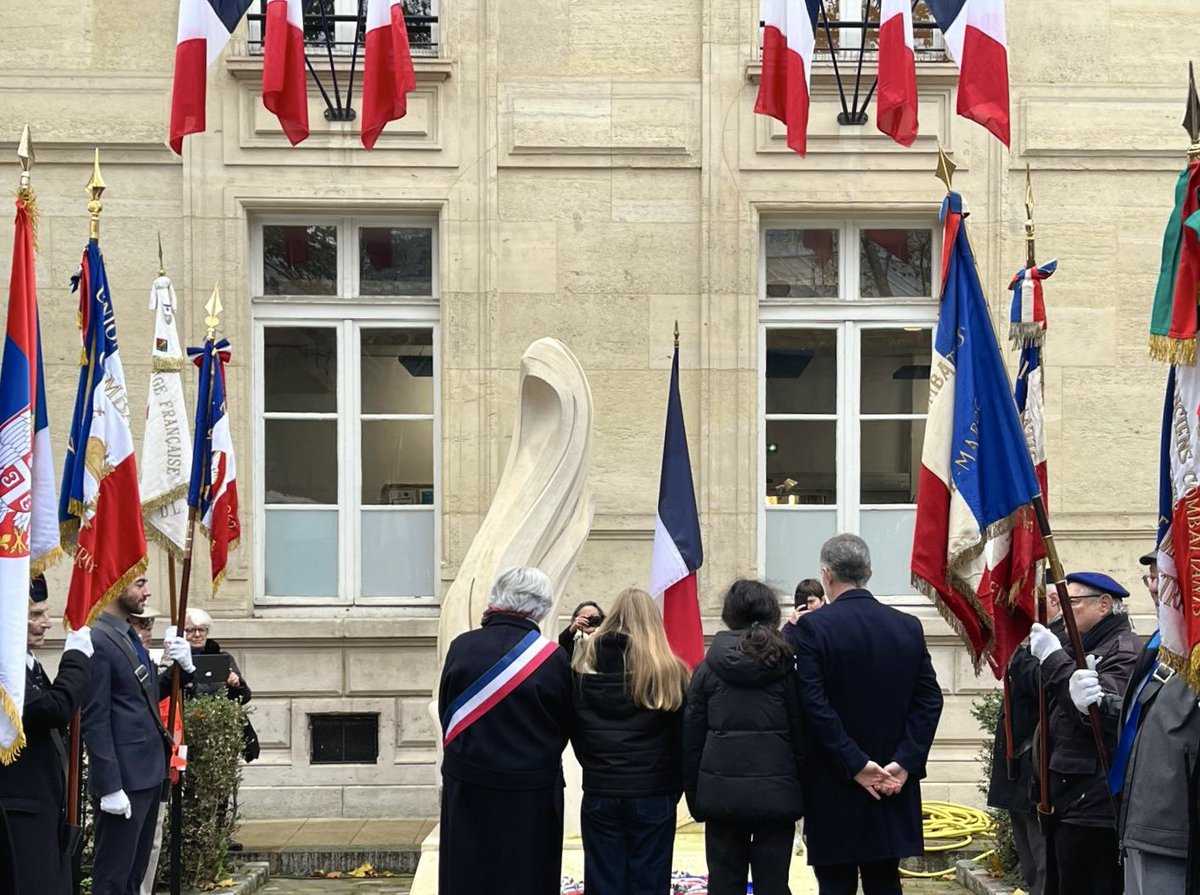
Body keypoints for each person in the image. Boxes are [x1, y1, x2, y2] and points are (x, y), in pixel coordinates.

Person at [794, 534, 943, 895]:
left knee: (835, 885)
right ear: (869, 573)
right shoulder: (907, 626)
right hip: (891, 783)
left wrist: (856, 764)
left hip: (835, 780)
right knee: (885, 882)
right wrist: (903, 762)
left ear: (826, 575)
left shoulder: (814, 627)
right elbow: (930, 700)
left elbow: (813, 704)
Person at [1066, 551, 1200, 894]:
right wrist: (1097, 705)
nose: (1156, 587)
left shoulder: (1191, 646)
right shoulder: (1161, 643)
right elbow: (1144, 716)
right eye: (1152, 578)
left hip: (1177, 829)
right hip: (1139, 821)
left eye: (1165, 576)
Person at [438, 567, 573, 895]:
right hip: (531, 790)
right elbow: (565, 722)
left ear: (497, 598)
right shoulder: (551, 657)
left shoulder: (462, 647)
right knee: (526, 877)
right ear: (541, 607)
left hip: (468, 785)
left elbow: (446, 711)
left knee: (467, 875)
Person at [683, 579, 806, 895]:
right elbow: (801, 736)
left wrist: (697, 799)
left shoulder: (707, 670)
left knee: (724, 884)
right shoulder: (787, 668)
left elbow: (692, 740)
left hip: (721, 796)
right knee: (774, 884)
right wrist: (803, 792)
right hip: (778, 795)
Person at [570, 587, 690, 895]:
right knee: (650, 881)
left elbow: (578, 733)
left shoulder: (583, 670)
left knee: (603, 880)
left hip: (601, 788)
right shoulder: (670, 672)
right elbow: (682, 740)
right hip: (654, 790)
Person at [1028, 571, 1140, 895]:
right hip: (1068, 797)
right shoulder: (1082, 645)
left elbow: (1099, 714)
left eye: (1072, 602)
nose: (1064, 610)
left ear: (1104, 604)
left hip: (1093, 802)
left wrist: (1055, 661)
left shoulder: (1123, 649)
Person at [83, 573, 194, 895]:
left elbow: (142, 698)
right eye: (139, 583)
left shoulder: (127, 635)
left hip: (147, 773)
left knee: (134, 877)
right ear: (115, 583)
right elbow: (95, 719)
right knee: (113, 879)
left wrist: (180, 668)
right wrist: (109, 787)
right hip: (124, 779)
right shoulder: (98, 640)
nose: (147, 591)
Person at [0, 575, 93, 895]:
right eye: (35, 615)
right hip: (18, 813)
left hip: (42, 806)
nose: (48, 623)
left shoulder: (26, 663)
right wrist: (77, 657)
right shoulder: (5, 671)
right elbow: (55, 709)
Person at [985, 589, 1061, 895]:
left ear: (1053, 602)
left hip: (1038, 771)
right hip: (1018, 770)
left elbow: (1045, 684)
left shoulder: (1060, 641)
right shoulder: (1030, 643)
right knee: (1030, 866)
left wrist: (1017, 652)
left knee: (1043, 866)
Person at [183, 609, 251, 704]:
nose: (197, 635)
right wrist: (188, 688)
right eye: (190, 630)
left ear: (207, 632)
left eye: (201, 630)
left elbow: (244, 698)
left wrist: (236, 684)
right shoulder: (175, 660)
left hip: (222, 716)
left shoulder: (223, 658)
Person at [781, 579, 824, 652]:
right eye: (804, 602)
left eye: (811, 601)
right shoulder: (795, 623)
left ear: (822, 600)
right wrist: (791, 624)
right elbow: (782, 647)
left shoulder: (829, 619)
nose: (808, 606)